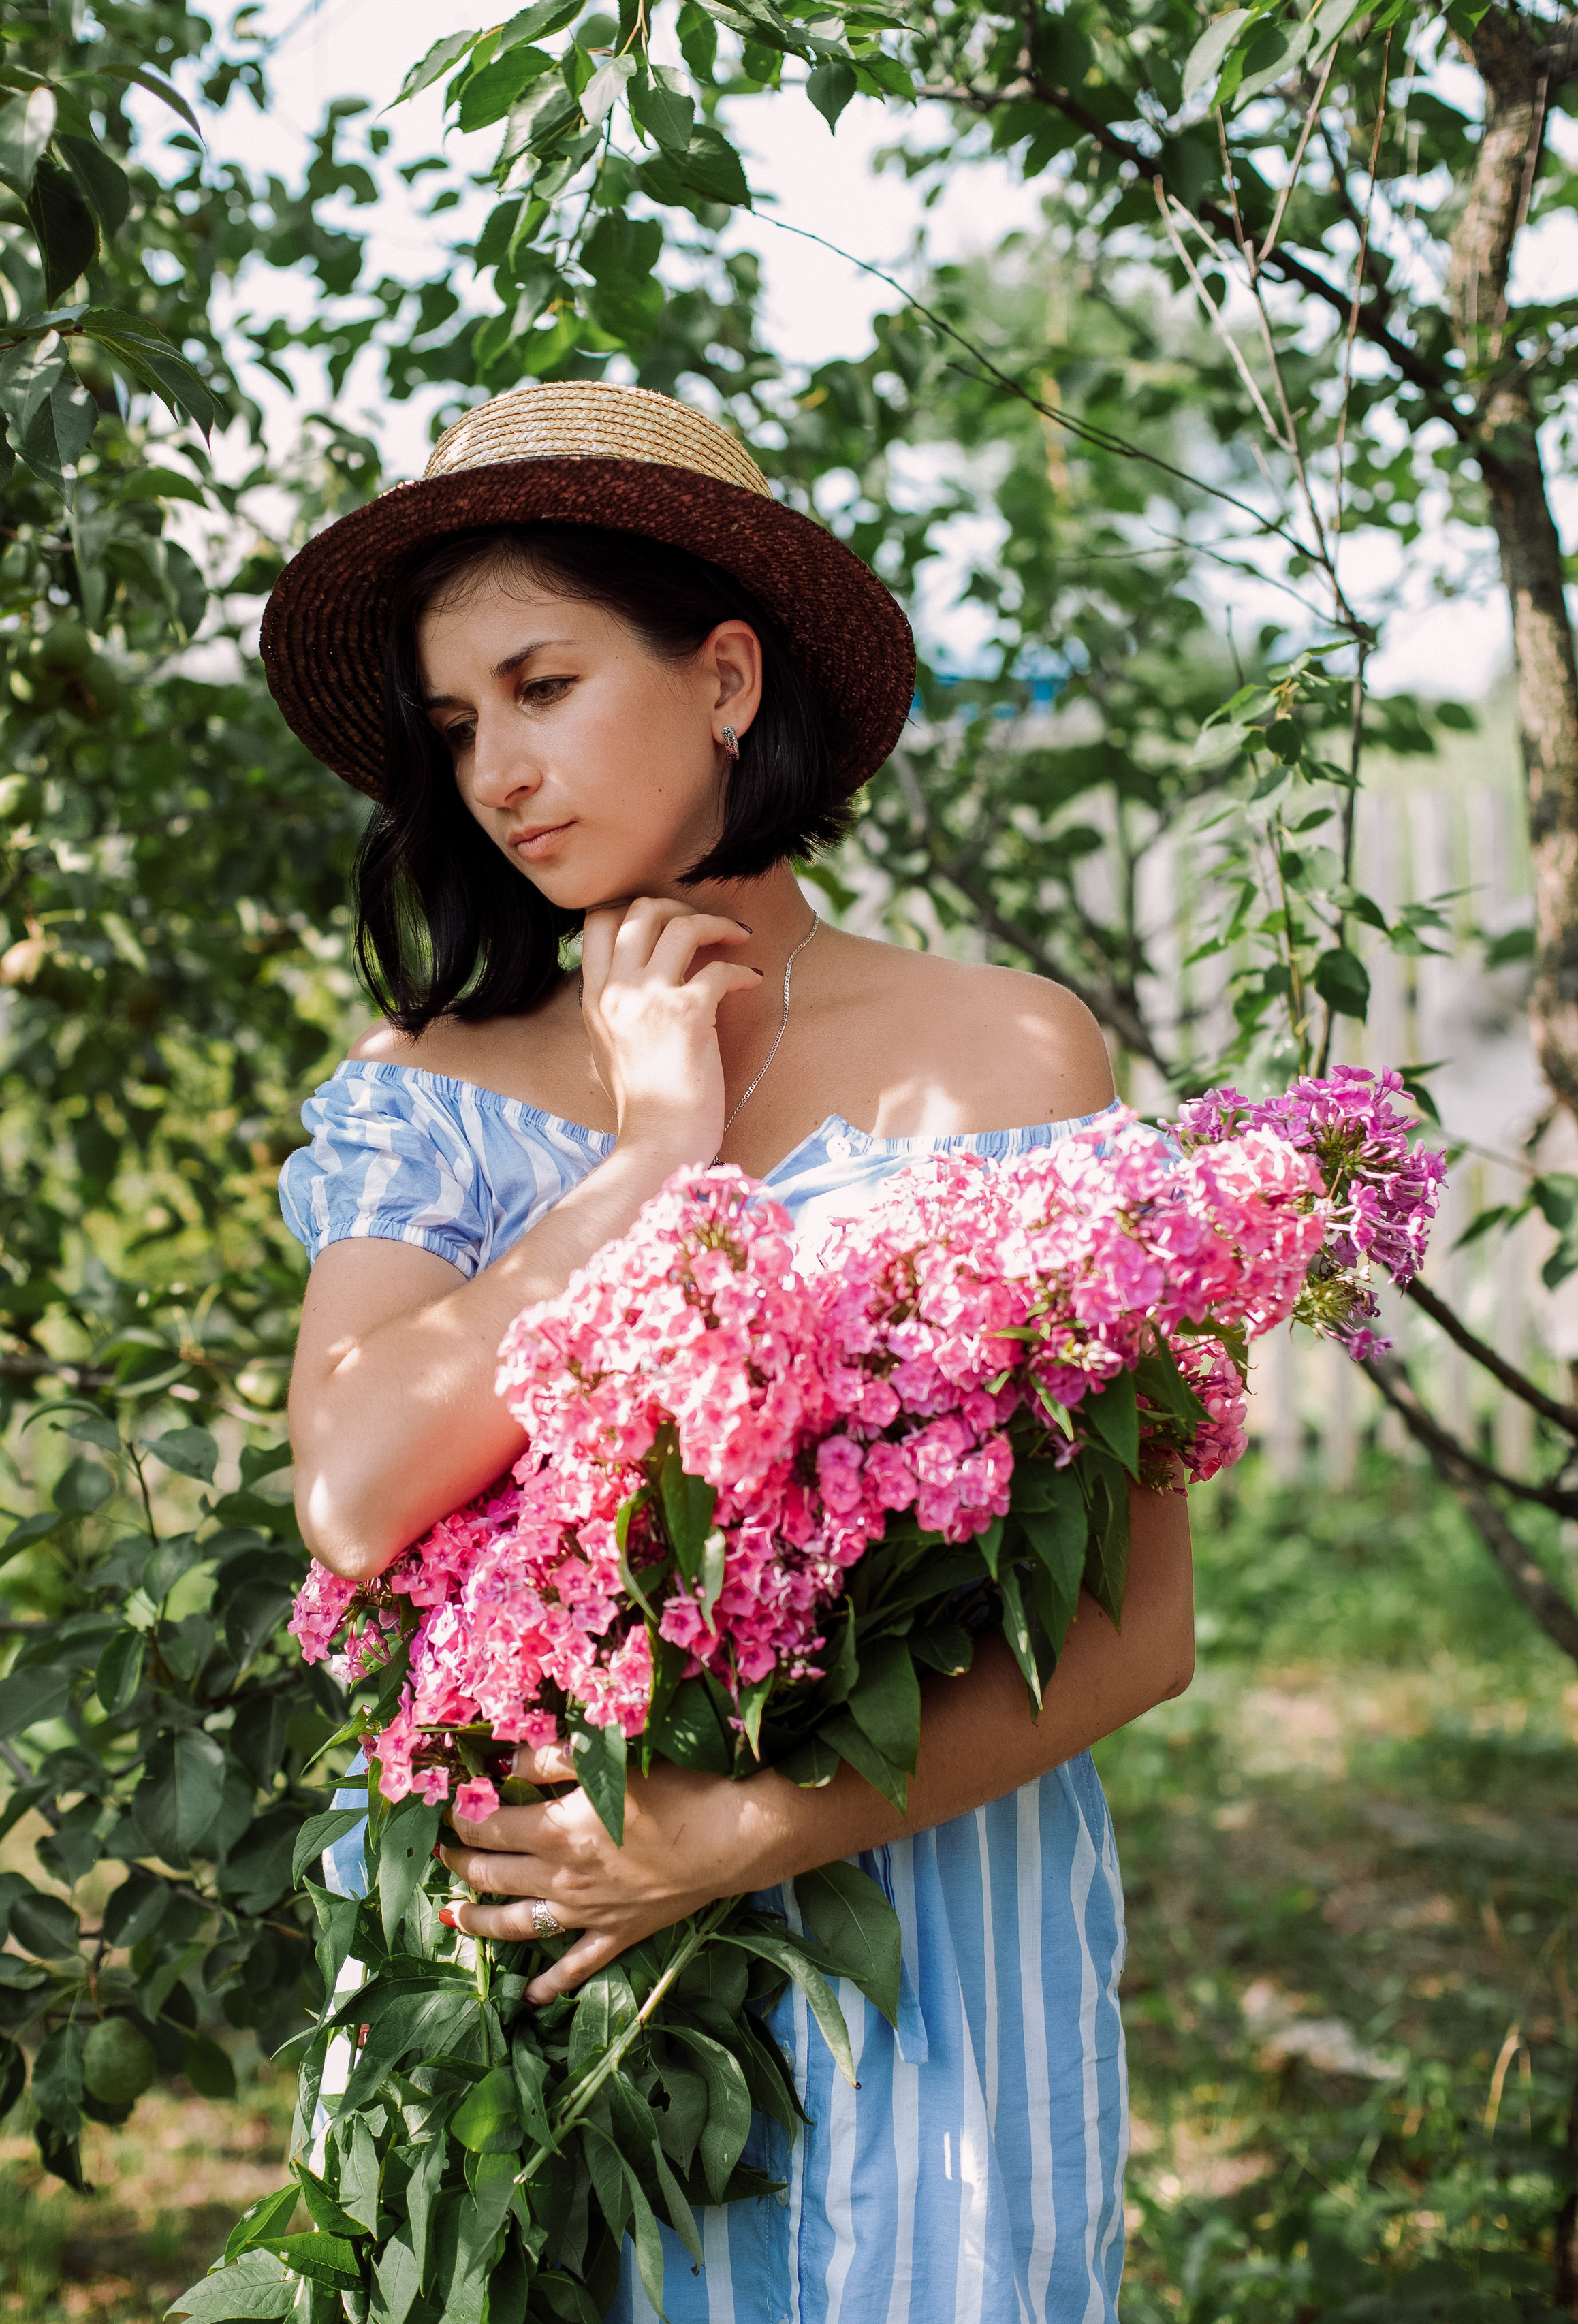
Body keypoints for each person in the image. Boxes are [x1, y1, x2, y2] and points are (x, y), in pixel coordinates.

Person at [265, 380, 1195, 2324]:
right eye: (457, 727)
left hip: (928, 1951)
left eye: (541, 685)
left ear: (725, 676)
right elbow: (350, 1497)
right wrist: (649, 1160)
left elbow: (1137, 1624)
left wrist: (732, 1834)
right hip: (535, 1996)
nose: (498, 771)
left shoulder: (1004, 1056)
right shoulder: (430, 1095)